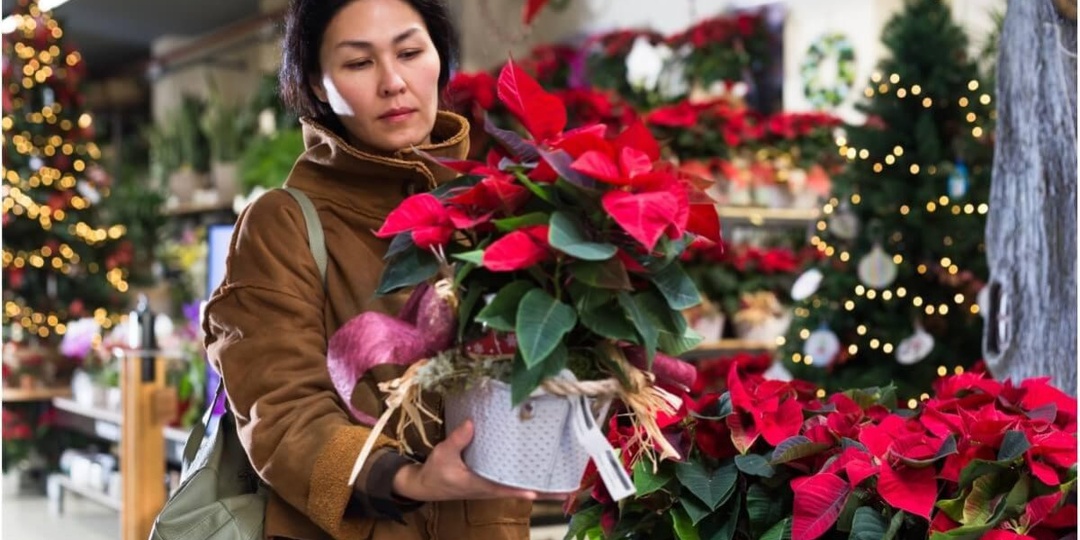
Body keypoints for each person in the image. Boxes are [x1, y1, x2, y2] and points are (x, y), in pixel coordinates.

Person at [202, 1, 538, 538]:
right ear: (318, 84)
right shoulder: (283, 223)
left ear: (439, 59)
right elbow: (281, 410)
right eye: (359, 63)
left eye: (410, 52)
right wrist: (405, 478)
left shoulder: (492, 211)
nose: (393, 82)